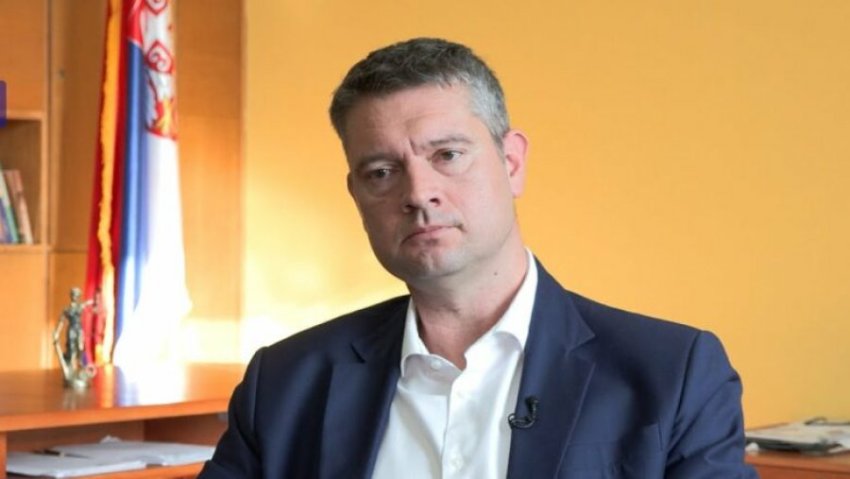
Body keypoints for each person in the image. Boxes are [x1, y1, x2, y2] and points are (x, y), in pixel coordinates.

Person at [200, 38, 756, 478]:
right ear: (357, 195)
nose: (419, 193)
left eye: (447, 155)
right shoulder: (286, 381)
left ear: (511, 163)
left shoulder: (672, 373)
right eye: (382, 172)